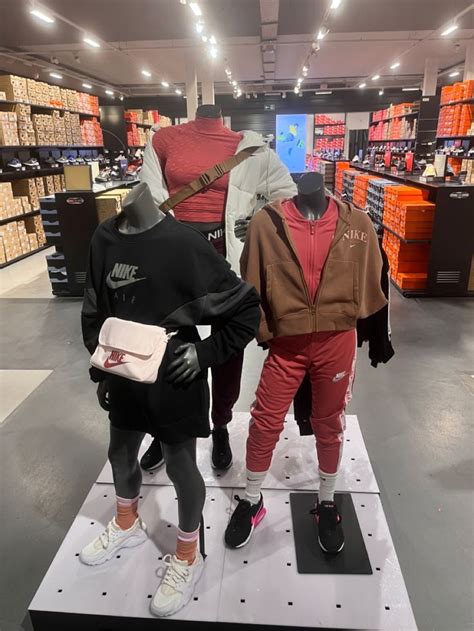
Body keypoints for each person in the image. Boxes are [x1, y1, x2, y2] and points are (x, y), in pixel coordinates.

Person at [139, 104, 296, 470]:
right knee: (167, 345)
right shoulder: (164, 140)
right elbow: (147, 194)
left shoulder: (251, 149)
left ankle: (221, 425)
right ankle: (166, 428)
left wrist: (260, 218)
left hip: (227, 262)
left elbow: (287, 195)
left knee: (227, 350)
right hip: (174, 260)